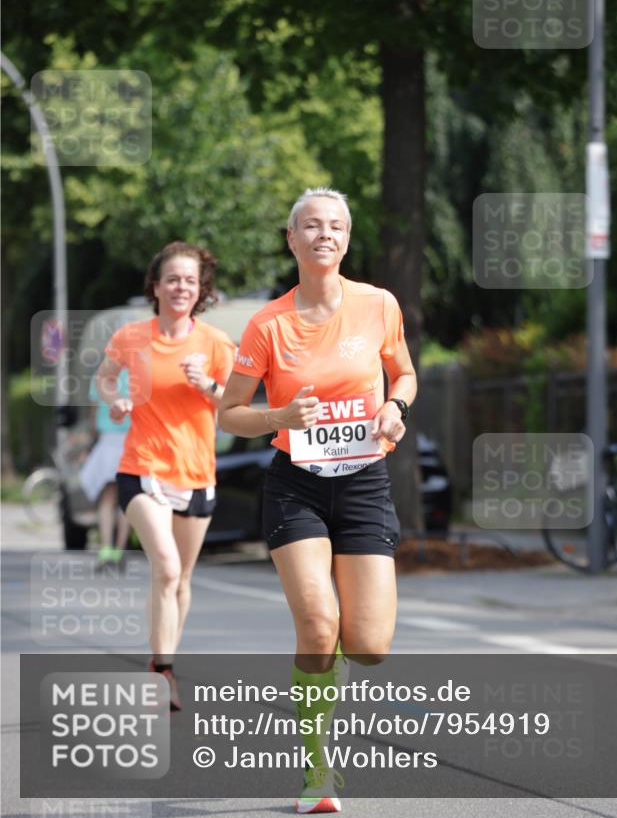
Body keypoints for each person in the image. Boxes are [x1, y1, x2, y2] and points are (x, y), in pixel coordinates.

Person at [218, 188, 417, 814]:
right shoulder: (267, 324)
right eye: (311, 226)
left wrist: (395, 406)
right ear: (292, 239)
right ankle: (316, 770)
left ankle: (327, 672)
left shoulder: (379, 305)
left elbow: (405, 373)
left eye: (335, 226)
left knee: (368, 645)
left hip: (364, 483)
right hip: (296, 484)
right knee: (318, 623)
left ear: (347, 238)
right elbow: (230, 414)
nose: (323, 234)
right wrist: (280, 413)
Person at [95, 241, 235, 709]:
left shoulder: (215, 344)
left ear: (201, 290)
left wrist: (208, 386)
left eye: (190, 281)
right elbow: (103, 377)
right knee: (167, 567)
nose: (181, 287)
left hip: (196, 472)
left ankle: (164, 659)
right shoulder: (132, 336)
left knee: (182, 579)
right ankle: (163, 671)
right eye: (172, 279)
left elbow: (237, 408)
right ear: (155, 287)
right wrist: (114, 399)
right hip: (142, 467)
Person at [79, 369, 131, 569]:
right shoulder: (138, 374)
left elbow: (93, 414)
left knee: (107, 499)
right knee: (126, 499)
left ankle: (105, 549)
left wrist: (92, 442)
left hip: (108, 441)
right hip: (130, 440)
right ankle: (120, 550)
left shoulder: (101, 375)